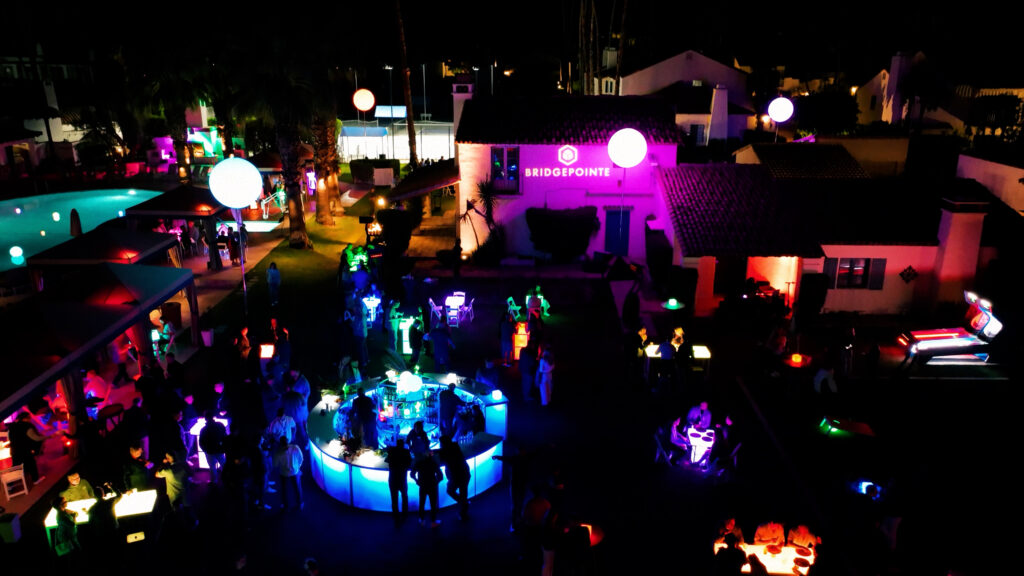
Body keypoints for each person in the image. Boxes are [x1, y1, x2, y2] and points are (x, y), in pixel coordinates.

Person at [7, 411, 50, 485]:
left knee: (15, 466)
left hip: (14, 450)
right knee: (31, 463)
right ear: (25, 418)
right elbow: (36, 438)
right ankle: (35, 480)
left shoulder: (12, 426)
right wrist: (48, 436)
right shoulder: (26, 426)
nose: (30, 419)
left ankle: (9, 485)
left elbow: (10, 438)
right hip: (24, 450)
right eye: (29, 418)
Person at [439, 435, 471, 520]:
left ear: (443, 443)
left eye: (440, 443)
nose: (440, 444)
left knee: (450, 491)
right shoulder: (455, 446)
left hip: (456, 476)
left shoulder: (444, 451)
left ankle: (463, 506)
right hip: (465, 473)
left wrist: (429, 452)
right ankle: (464, 506)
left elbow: (440, 458)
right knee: (463, 493)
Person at [411, 449, 444, 527]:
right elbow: (441, 476)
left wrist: (416, 480)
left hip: (422, 485)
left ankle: (421, 519)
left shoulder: (419, 463)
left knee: (422, 502)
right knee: (433, 504)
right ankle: (433, 521)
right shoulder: (433, 463)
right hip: (432, 485)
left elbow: (412, 474)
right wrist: (436, 482)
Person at [385, 438, 412, 526]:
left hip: (392, 479)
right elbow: (410, 464)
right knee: (404, 497)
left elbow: (386, 461)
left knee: (394, 499)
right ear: (403, 444)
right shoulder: (406, 452)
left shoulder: (392, 451)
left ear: (396, 444)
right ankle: (404, 515)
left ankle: (396, 518)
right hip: (402, 478)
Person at [273, 435, 304, 510]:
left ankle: (285, 506)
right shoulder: (295, 448)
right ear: (288, 441)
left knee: (284, 490)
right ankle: (300, 503)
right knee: (297, 488)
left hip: (284, 473)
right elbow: (301, 459)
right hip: (295, 472)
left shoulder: (278, 453)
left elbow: (275, 464)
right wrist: (297, 468)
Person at [199, 410, 227, 484]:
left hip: (209, 451)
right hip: (220, 449)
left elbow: (201, 442)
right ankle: (227, 478)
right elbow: (225, 436)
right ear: (213, 416)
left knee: (212, 467)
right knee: (224, 464)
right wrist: (224, 447)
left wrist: (205, 450)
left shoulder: (203, 429)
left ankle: (214, 481)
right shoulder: (220, 425)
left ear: (205, 418)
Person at [51, 496, 82, 561]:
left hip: (70, 536)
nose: (67, 502)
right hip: (66, 539)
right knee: (71, 556)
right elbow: (72, 524)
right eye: (65, 501)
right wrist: (74, 516)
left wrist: (74, 514)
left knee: (75, 553)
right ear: (60, 505)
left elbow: (75, 513)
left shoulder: (64, 511)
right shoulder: (61, 516)